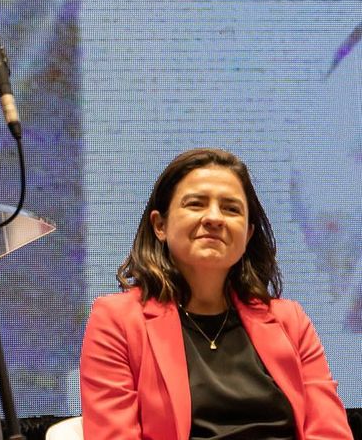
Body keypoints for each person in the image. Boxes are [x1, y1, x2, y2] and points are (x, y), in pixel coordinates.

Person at [79, 147, 352, 440]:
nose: (214, 218)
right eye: (196, 204)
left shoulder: (290, 321)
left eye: (231, 209)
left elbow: (330, 432)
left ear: (247, 235)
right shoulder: (117, 320)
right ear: (160, 225)